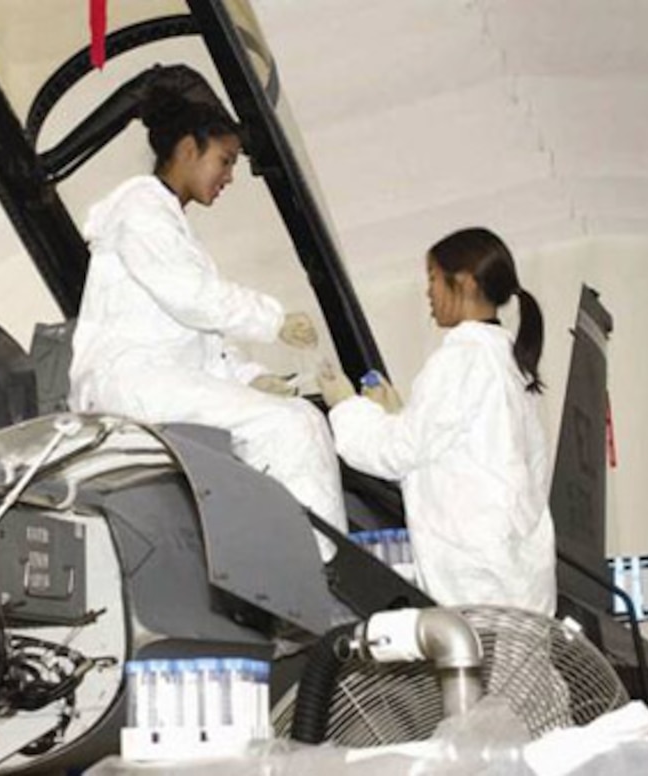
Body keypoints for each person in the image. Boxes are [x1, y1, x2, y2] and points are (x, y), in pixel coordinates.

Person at [68, 77, 348, 552]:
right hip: (133, 382)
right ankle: (320, 573)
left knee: (295, 413)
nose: (230, 176)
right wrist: (272, 319)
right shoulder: (140, 211)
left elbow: (196, 338)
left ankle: (292, 560)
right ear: (186, 149)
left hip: (155, 377)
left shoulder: (167, 224)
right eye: (225, 160)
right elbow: (193, 298)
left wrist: (250, 376)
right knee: (291, 427)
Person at [318, 227, 556, 614]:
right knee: (513, 672)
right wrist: (396, 414)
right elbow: (460, 455)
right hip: (518, 574)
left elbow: (397, 452)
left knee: (476, 672)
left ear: (462, 281)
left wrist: (346, 407)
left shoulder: (462, 357)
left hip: (476, 575)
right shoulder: (510, 363)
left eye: (432, 278)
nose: (427, 292)